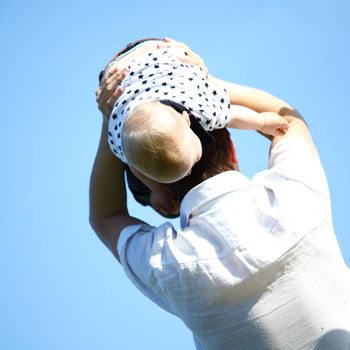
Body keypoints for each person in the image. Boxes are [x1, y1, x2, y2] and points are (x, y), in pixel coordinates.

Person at [90, 41, 350, 349]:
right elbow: (287, 121)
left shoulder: (171, 269)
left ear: (158, 190)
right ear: (232, 149)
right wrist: (203, 83)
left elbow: (105, 216)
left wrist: (113, 119)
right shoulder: (297, 197)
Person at [97, 38, 288, 216]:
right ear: (185, 119)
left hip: (158, 56)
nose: (190, 168)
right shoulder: (118, 142)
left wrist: (263, 122)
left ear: (187, 119)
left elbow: (232, 115)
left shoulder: (200, 107)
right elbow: (133, 165)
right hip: (120, 73)